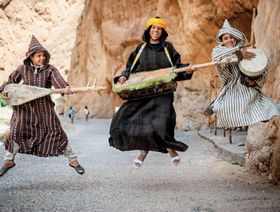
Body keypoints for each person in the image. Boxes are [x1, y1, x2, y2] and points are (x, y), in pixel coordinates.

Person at [109, 17, 194, 168]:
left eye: (159, 29)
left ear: (162, 32)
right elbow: (130, 69)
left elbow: (176, 68)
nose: (156, 31)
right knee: (131, 121)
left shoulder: (168, 48)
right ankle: (144, 152)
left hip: (163, 93)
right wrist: (123, 76)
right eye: (153, 28)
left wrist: (187, 70)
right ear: (148, 30)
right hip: (143, 93)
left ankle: (170, 149)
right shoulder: (140, 49)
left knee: (161, 123)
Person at [0, 35, 85, 176]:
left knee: (57, 132)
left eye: (43, 56)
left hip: (44, 109)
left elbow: (59, 83)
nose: (42, 59)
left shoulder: (50, 70)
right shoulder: (22, 69)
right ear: (31, 57)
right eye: (38, 56)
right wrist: (4, 91)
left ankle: (73, 160)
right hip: (24, 109)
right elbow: (10, 83)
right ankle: (9, 161)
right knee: (15, 131)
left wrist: (65, 88)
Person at [205, 19, 280, 128]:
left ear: (235, 39)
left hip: (244, 82)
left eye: (231, 37)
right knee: (224, 108)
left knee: (263, 104)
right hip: (230, 84)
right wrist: (239, 55)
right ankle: (214, 105)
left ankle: (261, 115)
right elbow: (218, 59)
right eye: (226, 38)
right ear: (222, 40)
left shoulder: (244, 49)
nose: (229, 40)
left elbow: (257, 66)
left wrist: (254, 76)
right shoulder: (217, 51)